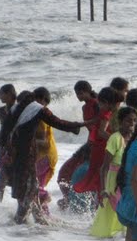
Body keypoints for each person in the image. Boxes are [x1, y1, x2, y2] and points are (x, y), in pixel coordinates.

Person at [5, 91, 84, 224]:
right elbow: (58, 123)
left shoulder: (15, 113)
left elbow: (6, 136)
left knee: (27, 191)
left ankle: (31, 220)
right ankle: (27, 221)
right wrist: (79, 125)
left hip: (23, 158)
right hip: (29, 158)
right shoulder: (36, 113)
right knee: (30, 190)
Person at [91, 106, 137, 238]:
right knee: (110, 212)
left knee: (127, 211)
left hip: (128, 181)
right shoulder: (115, 139)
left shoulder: (135, 139)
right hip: (113, 181)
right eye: (128, 120)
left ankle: (123, 240)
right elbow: (104, 167)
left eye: (134, 121)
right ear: (121, 121)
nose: (132, 124)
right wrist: (104, 189)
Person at [74, 86, 119, 208]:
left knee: (98, 175)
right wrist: (118, 140)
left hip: (98, 147)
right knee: (103, 174)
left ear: (107, 102)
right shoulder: (106, 113)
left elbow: (95, 124)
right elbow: (101, 132)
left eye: (100, 103)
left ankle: (98, 202)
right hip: (101, 147)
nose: (98, 105)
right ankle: (101, 202)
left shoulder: (104, 112)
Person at [32, 87, 60, 214]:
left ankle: (42, 209)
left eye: (35, 99)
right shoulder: (44, 113)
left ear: (43, 100)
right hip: (49, 155)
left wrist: (28, 141)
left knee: (36, 186)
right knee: (38, 185)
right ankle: (43, 215)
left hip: (45, 155)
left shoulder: (41, 116)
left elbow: (42, 141)